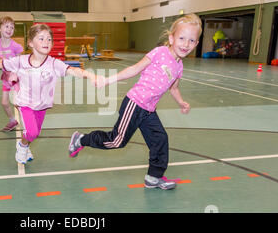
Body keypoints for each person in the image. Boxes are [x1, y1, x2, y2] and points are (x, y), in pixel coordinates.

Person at [68, 14, 203, 190]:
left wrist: (181, 102)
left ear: (196, 44)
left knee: (160, 139)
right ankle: (81, 139)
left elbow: (174, 88)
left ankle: (154, 177)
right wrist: (108, 80)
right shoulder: (160, 52)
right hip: (135, 103)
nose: (186, 44)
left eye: (191, 41)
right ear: (171, 38)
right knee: (117, 141)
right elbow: (134, 69)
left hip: (149, 110)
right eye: (182, 38)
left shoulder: (179, 66)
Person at [0, 24, 98, 164]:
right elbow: (1, 63)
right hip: (25, 104)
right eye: (41, 39)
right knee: (32, 132)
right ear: (30, 43)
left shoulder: (54, 64)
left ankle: (26, 145)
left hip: (41, 105)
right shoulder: (21, 61)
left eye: (49, 39)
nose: (46, 42)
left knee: (34, 132)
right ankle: (22, 146)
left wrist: (89, 75)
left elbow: (72, 70)